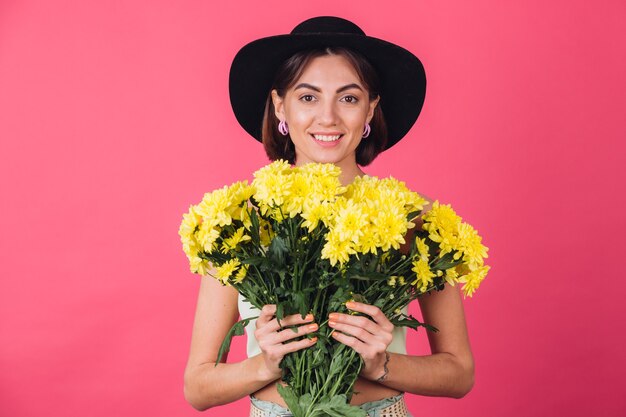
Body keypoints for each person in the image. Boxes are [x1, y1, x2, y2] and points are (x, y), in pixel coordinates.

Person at [184, 16, 475, 417]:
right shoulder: (239, 222)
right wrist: (264, 364)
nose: (328, 118)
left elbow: (459, 373)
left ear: (371, 109)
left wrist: (382, 364)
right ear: (279, 104)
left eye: (348, 98)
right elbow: (198, 387)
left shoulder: (416, 219)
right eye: (308, 97)